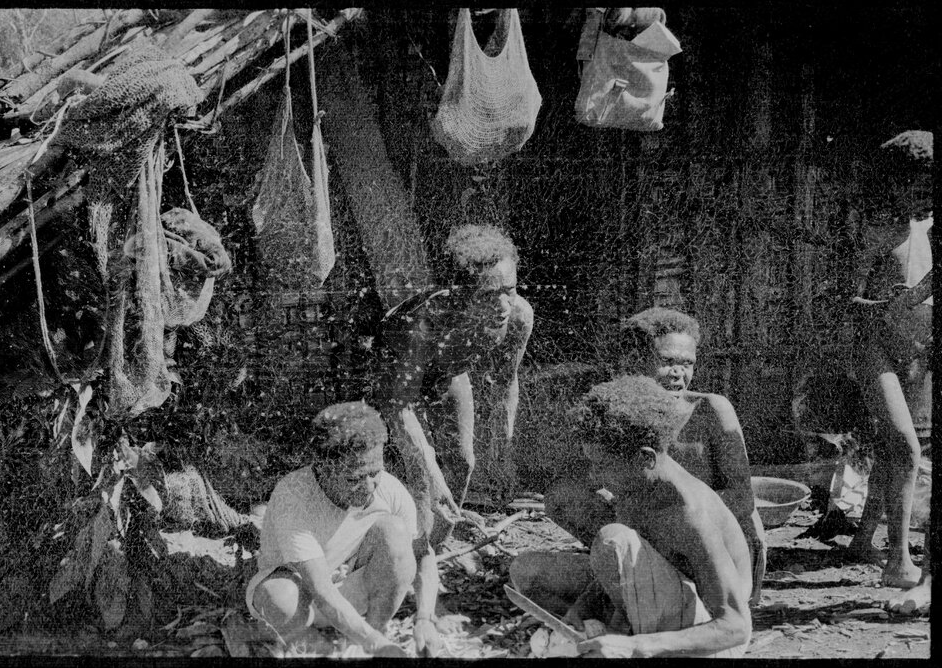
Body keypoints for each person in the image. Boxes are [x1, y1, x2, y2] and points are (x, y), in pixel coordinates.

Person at [510, 376, 753, 658]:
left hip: (710, 637)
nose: (594, 476)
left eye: (602, 464)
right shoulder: (636, 489)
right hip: (662, 601)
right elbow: (620, 573)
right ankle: (611, 634)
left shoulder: (692, 517)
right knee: (527, 571)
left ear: (645, 458)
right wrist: (580, 610)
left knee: (613, 541)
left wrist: (636, 646)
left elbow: (735, 627)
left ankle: (624, 639)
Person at [545, 307, 766, 606]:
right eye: (667, 362)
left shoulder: (710, 410)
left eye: (687, 363)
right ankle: (634, 571)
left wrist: (668, 512)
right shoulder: (620, 414)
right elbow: (592, 475)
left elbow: (742, 498)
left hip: (709, 541)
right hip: (652, 530)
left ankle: (658, 586)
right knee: (563, 495)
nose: (679, 373)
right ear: (634, 362)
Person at [372, 224, 533, 546]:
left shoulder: (518, 316)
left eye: (510, 290)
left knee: (462, 463)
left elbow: (505, 381)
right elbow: (400, 407)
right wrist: (432, 475)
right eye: (488, 295)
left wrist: (502, 450)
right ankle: (407, 557)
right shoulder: (424, 323)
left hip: (445, 373)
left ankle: (433, 547)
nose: (502, 305)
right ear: (459, 295)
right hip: (388, 380)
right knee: (421, 477)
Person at [245, 402, 441, 657]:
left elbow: (422, 554)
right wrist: (376, 645)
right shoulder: (293, 496)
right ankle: (325, 643)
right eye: (354, 478)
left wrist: (425, 618)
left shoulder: (389, 489)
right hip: (302, 600)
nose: (370, 486)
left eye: (375, 472)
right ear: (323, 467)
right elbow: (321, 589)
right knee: (279, 597)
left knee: (395, 530)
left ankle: (373, 631)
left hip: (344, 590)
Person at [845, 129, 932, 600]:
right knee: (904, 449)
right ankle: (897, 561)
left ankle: (863, 540)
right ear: (893, 184)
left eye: (930, 184)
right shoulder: (875, 228)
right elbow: (841, 298)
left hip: (915, 349)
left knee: (896, 446)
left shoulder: (927, 228)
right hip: (874, 348)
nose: (924, 193)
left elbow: (920, 294)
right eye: (914, 183)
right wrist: (878, 304)